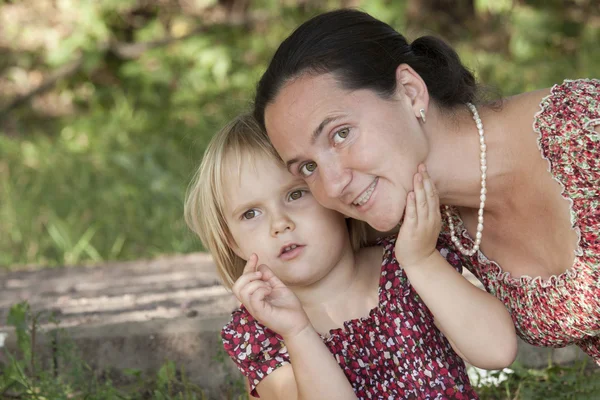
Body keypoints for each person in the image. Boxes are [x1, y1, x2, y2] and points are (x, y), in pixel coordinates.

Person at [252, 8, 600, 364]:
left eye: (340, 134)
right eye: (307, 167)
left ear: (410, 91)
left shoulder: (584, 128)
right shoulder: (431, 226)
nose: (334, 185)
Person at [184, 113, 516, 399]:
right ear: (232, 242)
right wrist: (298, 332)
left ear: (332, 193)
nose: (279, 224)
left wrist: (421, 261)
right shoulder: (261, 332)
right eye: (250, 214)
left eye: (296, 194)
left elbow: (497, 350)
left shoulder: (404, 265)